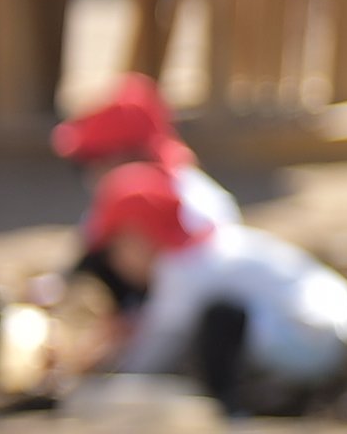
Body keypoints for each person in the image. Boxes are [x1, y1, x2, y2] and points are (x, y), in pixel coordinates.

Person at [79, 163, 347, 416]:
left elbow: (154, 353)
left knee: (217, 320)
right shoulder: (209, 245)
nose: (115, 261)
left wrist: (104, 379)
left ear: (138, 237)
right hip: (332, 325)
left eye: (116, 247)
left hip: (309, 343)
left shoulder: (181, 270)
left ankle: (231, 411)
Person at [53, 72, 241, 313]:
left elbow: (183, 307)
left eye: (87, 162)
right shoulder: (124, 196)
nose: (87, 175)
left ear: (119, 157)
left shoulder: (197, 206)